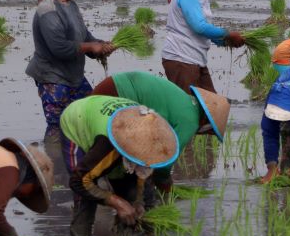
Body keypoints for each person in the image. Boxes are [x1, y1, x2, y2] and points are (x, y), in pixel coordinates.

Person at [59, 95, 179, 236]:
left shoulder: (148, 139)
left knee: (131, 194)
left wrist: (138, 202)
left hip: (116, 122)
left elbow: (141, 177)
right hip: (78, 118)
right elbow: (78, 181)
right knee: (86, 197)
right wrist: (118, 203)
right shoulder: (107, 145)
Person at [91, 71, 230, 192]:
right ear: (206, 122)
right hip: (117, 95)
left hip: (112, 85)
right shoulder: (190, 121)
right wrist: (166, 185)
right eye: (209, 132)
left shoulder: (185, 100)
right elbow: (166, 162)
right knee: (123, 162)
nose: (203, 134)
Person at [25, 0, 116, 138]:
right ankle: (55, 154)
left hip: (74, 77)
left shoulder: (71, 5)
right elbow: (59, 47)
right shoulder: (47, 9)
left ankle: (80, 153)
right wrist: (90, 47)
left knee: (90, 116)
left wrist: (101, 46)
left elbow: (83, 35)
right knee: (58, 127)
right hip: (53, 79)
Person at [162, 0, 245, 93]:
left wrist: (225, 41)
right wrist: (227, 34)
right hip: (181, 59)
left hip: (194, 59)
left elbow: (203, 30)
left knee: (211, 103)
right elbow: (199, 26)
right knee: (190, 105)